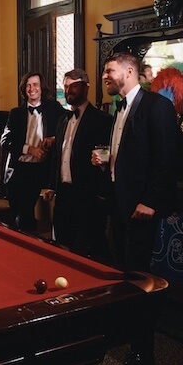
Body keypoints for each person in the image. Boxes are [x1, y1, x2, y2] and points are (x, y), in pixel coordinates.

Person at [93, 52, 178, 365]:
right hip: (119, 204)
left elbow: (166, 160)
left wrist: (150, 202)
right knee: (124, 274)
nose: (105, 76)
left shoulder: (157, 106)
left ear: (130, 71)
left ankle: (143, 353)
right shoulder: (117, 109)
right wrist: (105, 163)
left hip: (142, 209)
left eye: (109, 71)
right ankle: (124, 334)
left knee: (141, 281)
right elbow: (128, 156)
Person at [42, 69, 112, 259]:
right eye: (66, 86)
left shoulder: (103, 120)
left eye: (74, 86)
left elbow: (108, 154)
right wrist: (51, 185)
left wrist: (101, 192)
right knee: (62, 246)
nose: (69, 90)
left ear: (85, 87)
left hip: (88, 195)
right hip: (63, 194)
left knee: (93, 247)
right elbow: (58, 156)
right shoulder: (62, 119)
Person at [1, 72, 66, 234]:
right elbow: (5, 141)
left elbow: (67, 132)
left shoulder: (54, 109)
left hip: (43, 171)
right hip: (19, 169)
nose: (32, 89)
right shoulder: (15, 113)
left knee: (32, 216)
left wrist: (52, 139)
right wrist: (30, 149)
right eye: (28, 85)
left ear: (42, 88)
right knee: (19, 214)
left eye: (35, 85)